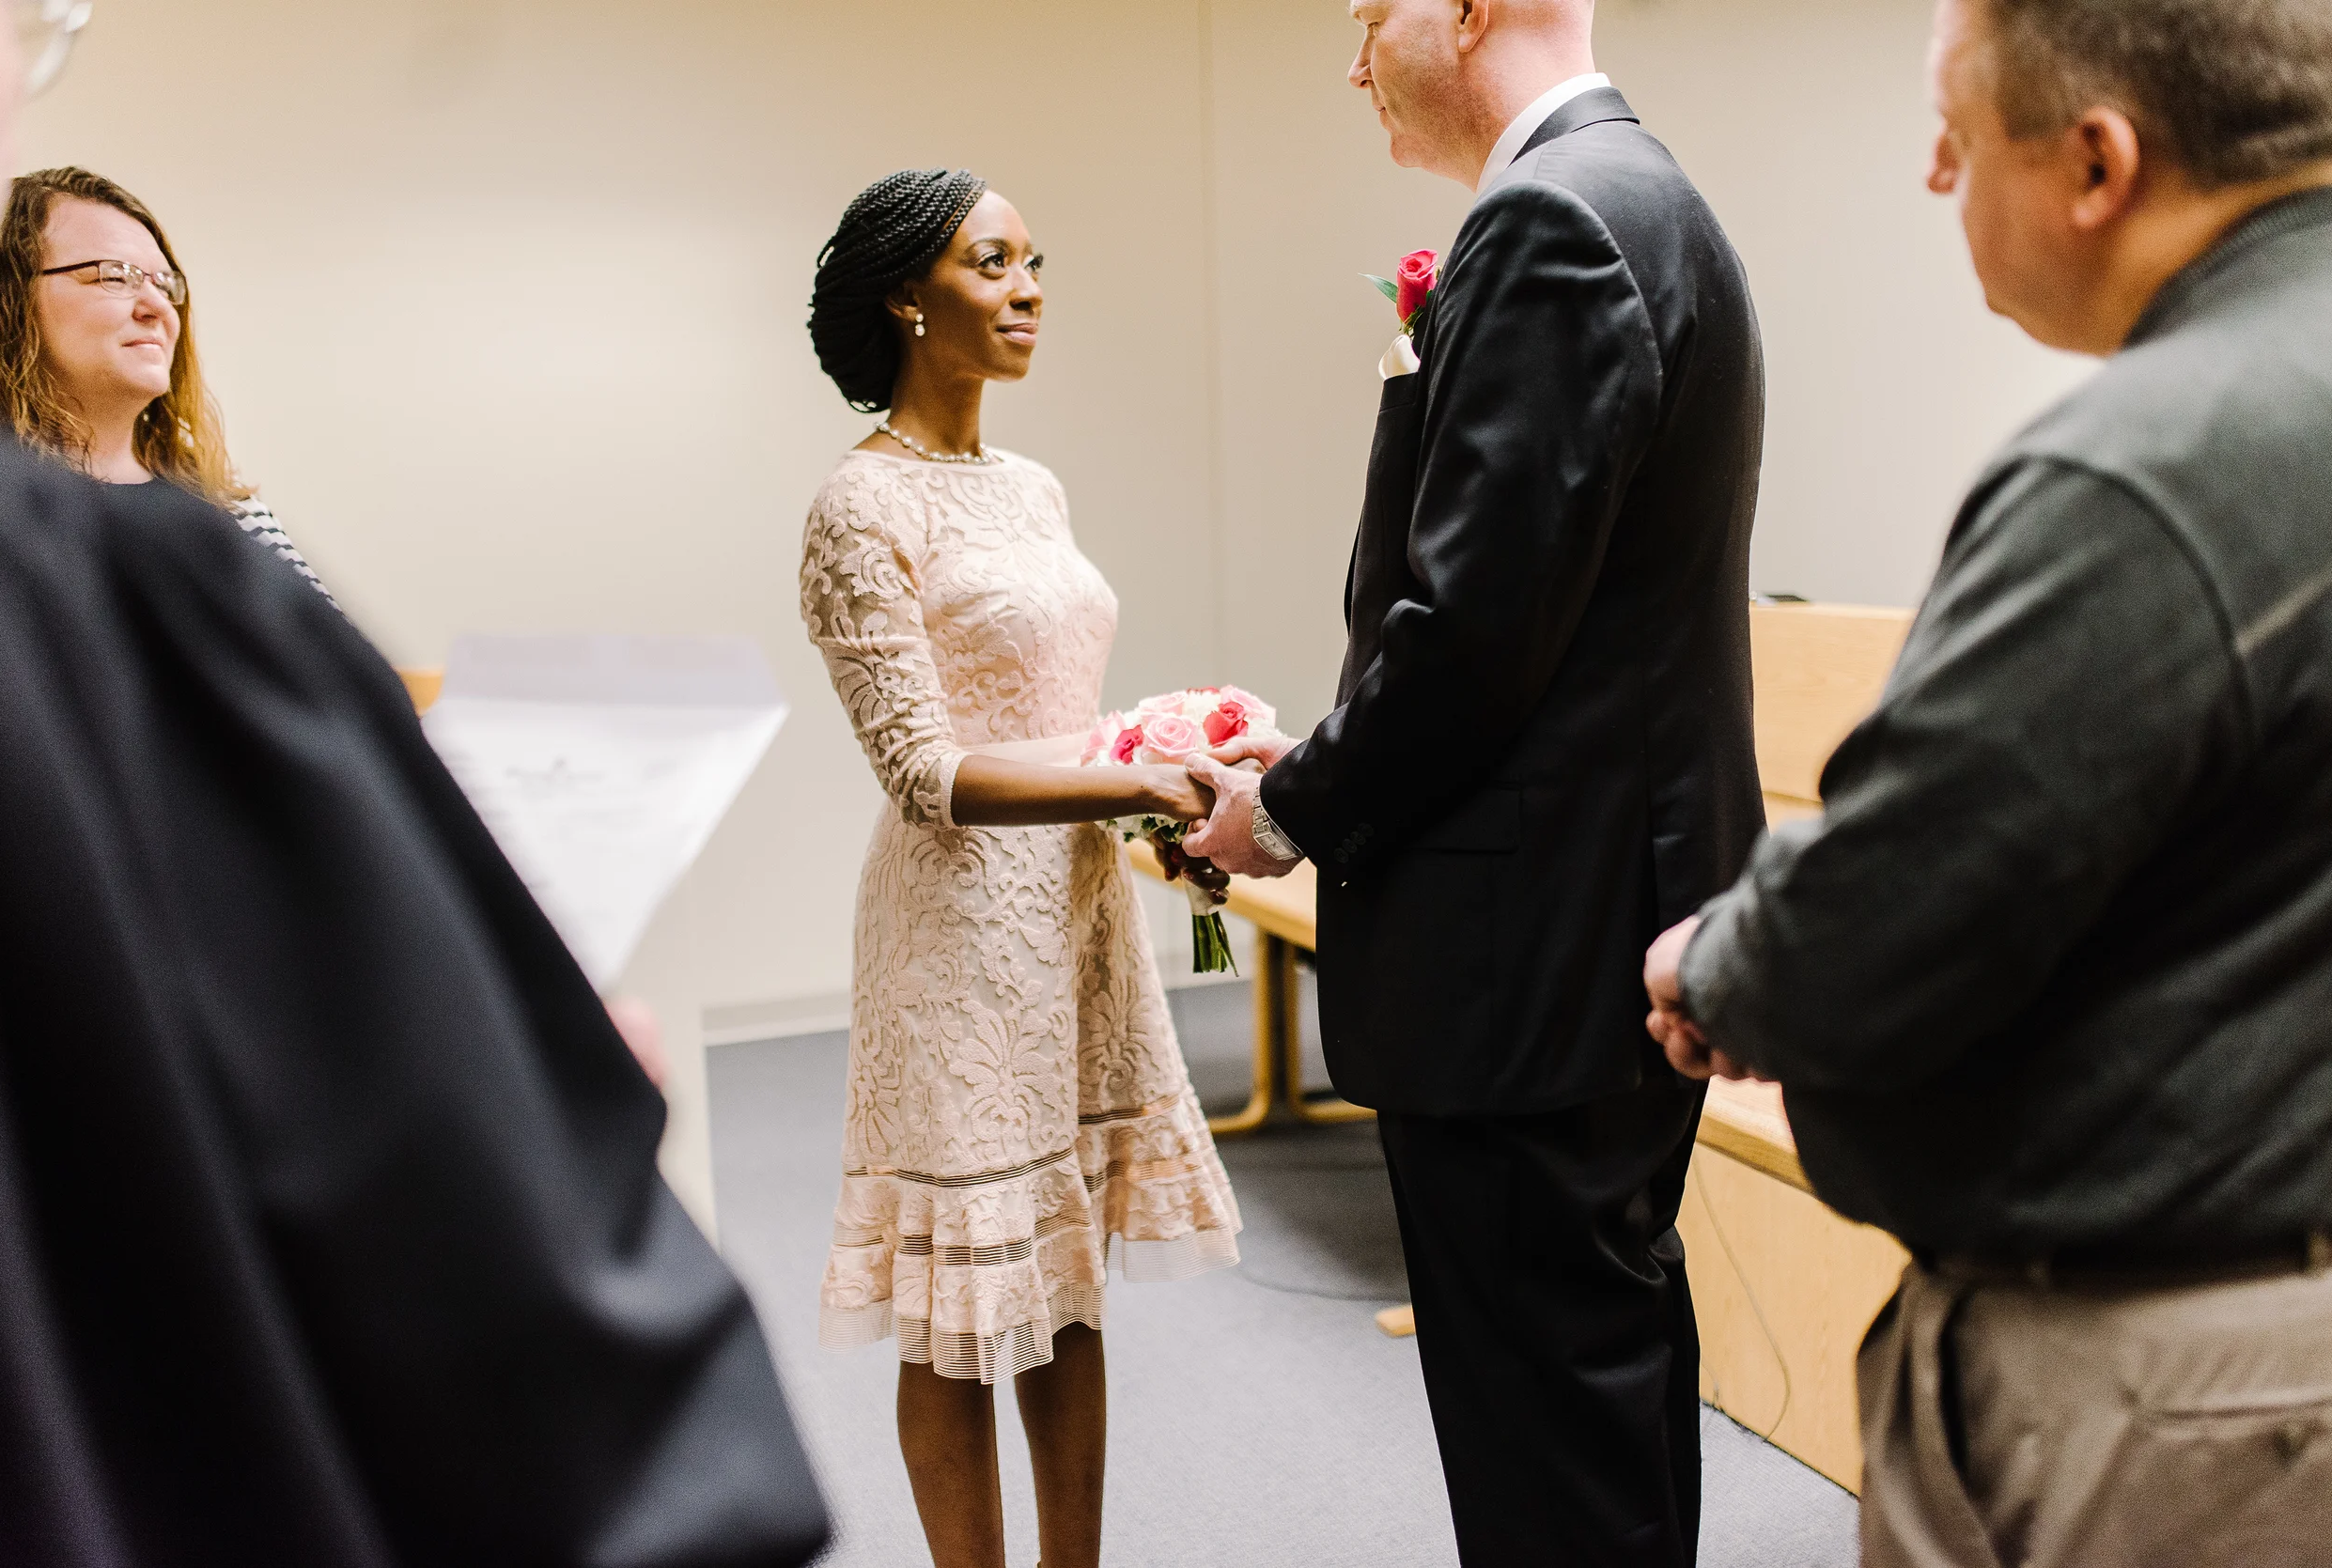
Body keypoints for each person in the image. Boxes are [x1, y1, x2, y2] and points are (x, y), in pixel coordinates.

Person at [0, 10, 830, 1565]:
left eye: (167, 276)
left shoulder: (227, 539)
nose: (151, 296)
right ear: (5, 299)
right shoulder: (107, 583)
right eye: (103, 270)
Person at [1642, 0, 2332, 1563]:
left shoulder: (2150, 466)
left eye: (1958, 135)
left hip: (2178, 1386)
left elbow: (1889, 909)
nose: (1936, 176)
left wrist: (1719, 960)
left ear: (2096, 162)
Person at [1186, 0, 1765, 1560]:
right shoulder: (1649, 194)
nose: (1352, 55)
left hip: (1529, 944)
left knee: (1542, 1441)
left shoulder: (1551, 216)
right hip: (1611, 906)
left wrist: (1285, 808)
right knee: (1598, 1378)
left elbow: (1469, 632)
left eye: (1369, 11)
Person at [799, 168, 1242, 1568]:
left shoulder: (1033, 489)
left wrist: (1167, 765)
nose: (1029, 289)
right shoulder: (857, 506)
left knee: (1066, 1269)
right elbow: (924, 771)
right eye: (992, 263)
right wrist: (1139, 779)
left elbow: (1064, 714)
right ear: (905, 298)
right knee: (956, 1302)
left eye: (1034, 262)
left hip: (1076, 908)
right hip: (955, 932)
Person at [0, 164, 331, 600]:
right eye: (114, 275)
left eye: (165, 285)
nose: (159, 308)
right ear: (5, 297)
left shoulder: (232, 513)